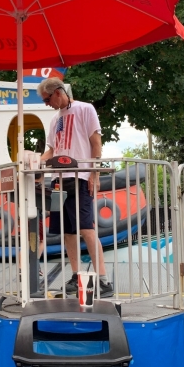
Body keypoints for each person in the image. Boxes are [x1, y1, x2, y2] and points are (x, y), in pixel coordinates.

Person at [37, 77, 112, 296]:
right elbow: (53, 149)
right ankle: (77, 275)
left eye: (47, 99)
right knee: (67, 230)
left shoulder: (85, 109)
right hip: (58, 180)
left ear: (58, 92)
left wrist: (94, 174)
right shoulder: (55, 120)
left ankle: (103, 280)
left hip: (80, 177)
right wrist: (35, 161)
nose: (47, 104)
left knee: (86, 228)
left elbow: (96, 143)